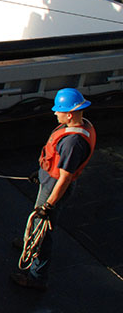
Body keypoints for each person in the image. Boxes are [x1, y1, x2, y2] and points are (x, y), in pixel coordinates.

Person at [10, 88, 96, 291]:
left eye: (59, 110)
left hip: (54, 190)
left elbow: (65, 177)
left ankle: (37, 277)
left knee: (44, 232)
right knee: (37, 223)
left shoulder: (72, 142)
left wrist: (49, 205)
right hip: (48, 181)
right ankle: (28, 242)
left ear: (70, 113)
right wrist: (40, 172)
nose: (55, 113)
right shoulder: (81, 127)